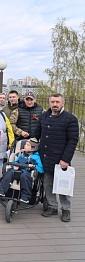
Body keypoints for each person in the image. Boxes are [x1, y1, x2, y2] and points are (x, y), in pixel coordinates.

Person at [34, 93, 79, 222]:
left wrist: (65, 159)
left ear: (62, 103)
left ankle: (66, 210)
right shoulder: (44, 116)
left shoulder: (70, 119)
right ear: (49, 103)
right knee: (48, 183)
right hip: (46, 156)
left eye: (57, 102)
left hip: (61, 158)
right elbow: (36, 134)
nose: (54, 104)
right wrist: (29, 143)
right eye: (52, 102)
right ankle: (52, 206)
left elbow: (72, 140)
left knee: (63, 185)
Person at [0, 138, 43, 203]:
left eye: (27, 145)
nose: (24, 146)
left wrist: (33, 166)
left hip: (27, 172)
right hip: (18, 170)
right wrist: (15, 165)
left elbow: (41, 169)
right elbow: (15, 161)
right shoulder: (21, 155)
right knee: (9, 173)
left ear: (33, 147)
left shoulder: (36, 157)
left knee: (24, 176)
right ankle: (2, 191)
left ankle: (25, 197)